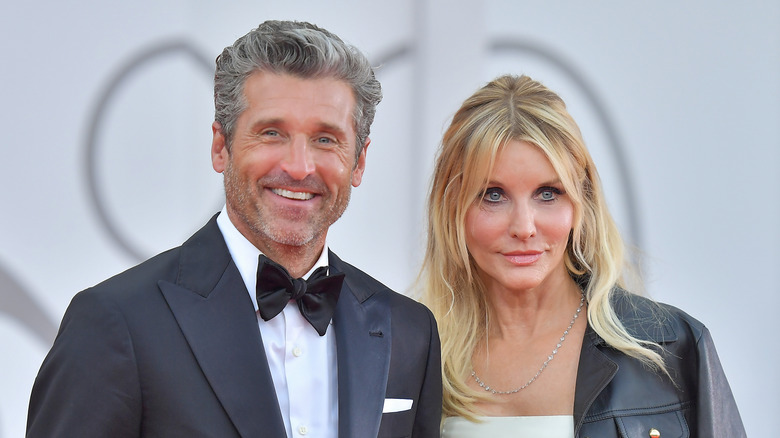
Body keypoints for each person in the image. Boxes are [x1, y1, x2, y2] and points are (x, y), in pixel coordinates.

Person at [27, 20, 441, 438]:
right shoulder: (117, 322)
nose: (299, 166)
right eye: (272, 133)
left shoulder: (409, 332)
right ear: (220, 146)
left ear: (359, 161)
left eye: (326, 139)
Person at [419, 74, 745, 437]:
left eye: (548, 193)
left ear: (581, 203)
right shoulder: (411, 355)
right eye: (493, 195)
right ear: (451, 206)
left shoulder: (674, 347)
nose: (524, 227)